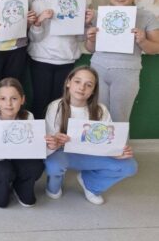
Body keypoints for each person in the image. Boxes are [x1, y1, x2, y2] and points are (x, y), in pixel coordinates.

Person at [44, 66, 138, 205]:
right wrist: (56, 140)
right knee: (54, 167)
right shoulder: (55, 107)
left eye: (88, 85)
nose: (82, 88)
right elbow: (48, 143)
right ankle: (54, 183)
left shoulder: (100, 110)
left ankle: (90, 183)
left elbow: (108, 142)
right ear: (68, 82)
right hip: (63, 153)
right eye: (77, 81)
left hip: (92, 155)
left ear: (94, 90)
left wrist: (117, 152)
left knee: (129, 166)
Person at [85, 0, 159, 122]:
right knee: (97, 116)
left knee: (120, 118)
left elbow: (156, 48)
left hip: (127, 73)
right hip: (98, 69)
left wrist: (143, 41)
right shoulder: (98, 15)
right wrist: (91, 39)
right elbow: (90, 49)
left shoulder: (146, 16)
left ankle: (121, 139)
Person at [28, 0, 94, 118]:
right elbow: (34, 38)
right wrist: (39, 22)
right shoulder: (38, 3)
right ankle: (40, 132)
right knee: (40, 102)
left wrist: (85, 23)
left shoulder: (77, 4)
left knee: (61, 104)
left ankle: (58, 131)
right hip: (41, 60)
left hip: (66, 61)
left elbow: (80, 37)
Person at [0, 78, 44, 208]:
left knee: (36, 168)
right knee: (1, 200)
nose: (8, 104)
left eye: (14, 98)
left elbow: (29, 150)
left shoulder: (28, 116)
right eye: (3, 99)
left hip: (19, 156)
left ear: (22, 99)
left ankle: (19, 185)